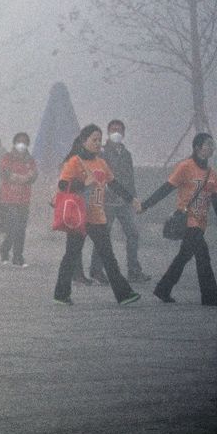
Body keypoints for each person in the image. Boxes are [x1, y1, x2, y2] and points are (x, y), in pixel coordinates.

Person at [52, 124, 141, 306]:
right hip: (79, 217)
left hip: (98, 216)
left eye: (99, 140)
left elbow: (114, 184)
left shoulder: (101, 162)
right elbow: (63, 186)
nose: (98, 143)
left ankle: (124, 294)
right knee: (71, 254)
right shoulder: (74, 162)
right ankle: (61, 294)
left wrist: (131, 200)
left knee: (108, 255)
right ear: (84, 141)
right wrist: (84, 183)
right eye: (94, 140)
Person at [139, 133, 217, 306]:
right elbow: (166, 188)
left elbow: (215, 201)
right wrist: (146, 205)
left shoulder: (212, 174)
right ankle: (211, 297)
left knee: (183, 257)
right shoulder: (185, 166)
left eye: (213, 145)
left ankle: (163, 289)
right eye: (208, 144)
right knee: (203, 256)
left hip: (201, 222)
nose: (212, 147)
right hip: (188, 221)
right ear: (197, 147)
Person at [89, 119, 150, 284]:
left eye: (119, 130)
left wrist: (134, 200)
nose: (116, 133)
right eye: (113, 130)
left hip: (124, 202)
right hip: (106, 202)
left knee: (133, 234)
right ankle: (96, 272)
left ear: (123, 134)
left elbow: (130, 178)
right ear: (108, 133)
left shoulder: (126, 154)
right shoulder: (101, 153)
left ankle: (134, 271)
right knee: (103, 236)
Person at [0, 132, 38, 267]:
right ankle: (6, 249)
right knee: (13, 227)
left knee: (21, 228)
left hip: (24, 200)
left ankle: (17, 256)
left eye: (25, 142)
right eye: (19, 141)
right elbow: (5, 174)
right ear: (14, 143)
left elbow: (33, 176)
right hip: (8, 199)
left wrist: (22, 177)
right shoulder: (7, 158)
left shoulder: (30, 160)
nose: (22, 144)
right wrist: (23, 177)